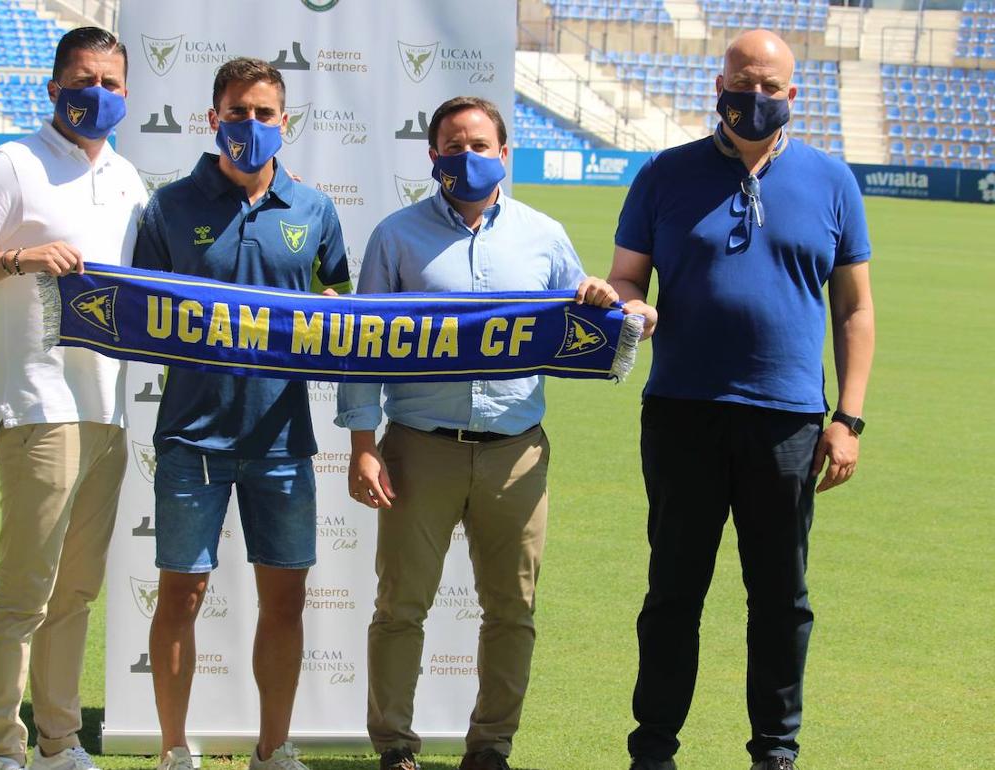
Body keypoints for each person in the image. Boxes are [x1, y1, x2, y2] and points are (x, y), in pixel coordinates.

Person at [335, 96, 645, 770]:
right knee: (400, 608)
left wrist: (596, 294)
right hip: (419, 449)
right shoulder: (396, 236)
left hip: (515, 453)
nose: (466, 157)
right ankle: (394, 746)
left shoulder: (543, 235)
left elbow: (586, 318)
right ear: (433, 157)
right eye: (453, 145)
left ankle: (491, 746)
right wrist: (361, 446)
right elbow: (361, 344)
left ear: (505, 154)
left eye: (480, 145)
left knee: (513, 609)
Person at [611, 30, 875, 770]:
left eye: (768, 88)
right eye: (740, 83)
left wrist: (847, 418)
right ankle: (654, 751)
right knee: (673, 595)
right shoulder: (663, 174)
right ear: (716, 85)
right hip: (682, 415)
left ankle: (775, 753)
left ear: (793, 96)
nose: (752, 99)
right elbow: (627, 276)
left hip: (788, 422)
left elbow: (855, 309)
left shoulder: (832, 181)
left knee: (782, 600)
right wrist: (635, 306)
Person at [0, 26, 146, 770]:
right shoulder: (13, 165)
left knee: (76, 591)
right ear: (54, 87)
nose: (100, 94)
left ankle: (59, 740)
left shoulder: (127, 178)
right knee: (26, 590)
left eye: (114, 84)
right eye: (86, 80)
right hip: (36, 405)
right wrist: (16, 257)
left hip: (107, 409)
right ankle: (2, 749)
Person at [132, 57, 352, 770]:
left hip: (283, 439)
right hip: (191, 438)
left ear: (284, 122)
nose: (249, 126)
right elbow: (135, 315)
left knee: (285, 601)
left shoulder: (316, 211)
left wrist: (332, 318)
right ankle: (172, 749)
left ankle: (273, 746)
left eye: (263, 113)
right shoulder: (167, 208)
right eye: (236, 112)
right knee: (181, 594)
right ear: (213, 118)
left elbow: (345, 318)